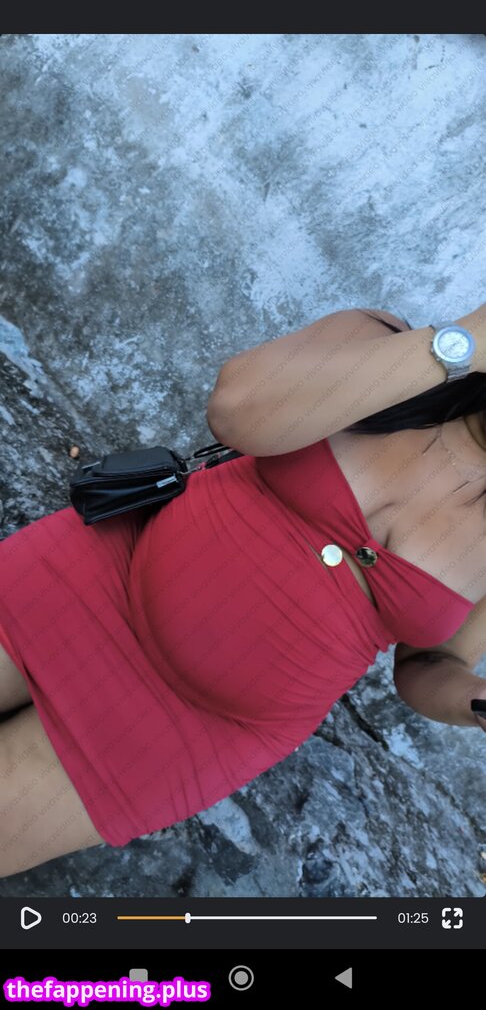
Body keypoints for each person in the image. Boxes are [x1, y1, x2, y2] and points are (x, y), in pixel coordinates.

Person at [1, 303, 486, 879]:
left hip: (182, 740)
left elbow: (433, 663)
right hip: (87, 583)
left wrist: (474, 701)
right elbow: (237, 411)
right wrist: (463, 343)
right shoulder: (381, 343)